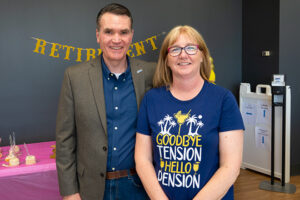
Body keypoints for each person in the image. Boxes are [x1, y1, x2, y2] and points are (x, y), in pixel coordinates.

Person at [56, 3, 155, 200]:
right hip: (91, 189)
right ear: (98, 35)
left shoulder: (151, 73)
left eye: (123, 32)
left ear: (131, 35)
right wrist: (69, 193)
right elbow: (65, 140)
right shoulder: (74, 77)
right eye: (109, 31)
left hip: (138, 187)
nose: (116, 39)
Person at [135, 25, 244, 200]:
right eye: (175, 49)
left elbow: (230, 167)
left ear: (202, 56)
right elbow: (142, 160)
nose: (183, 55)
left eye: (191, 48)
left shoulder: (223, 99)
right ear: (166, 59)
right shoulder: (151, 100)